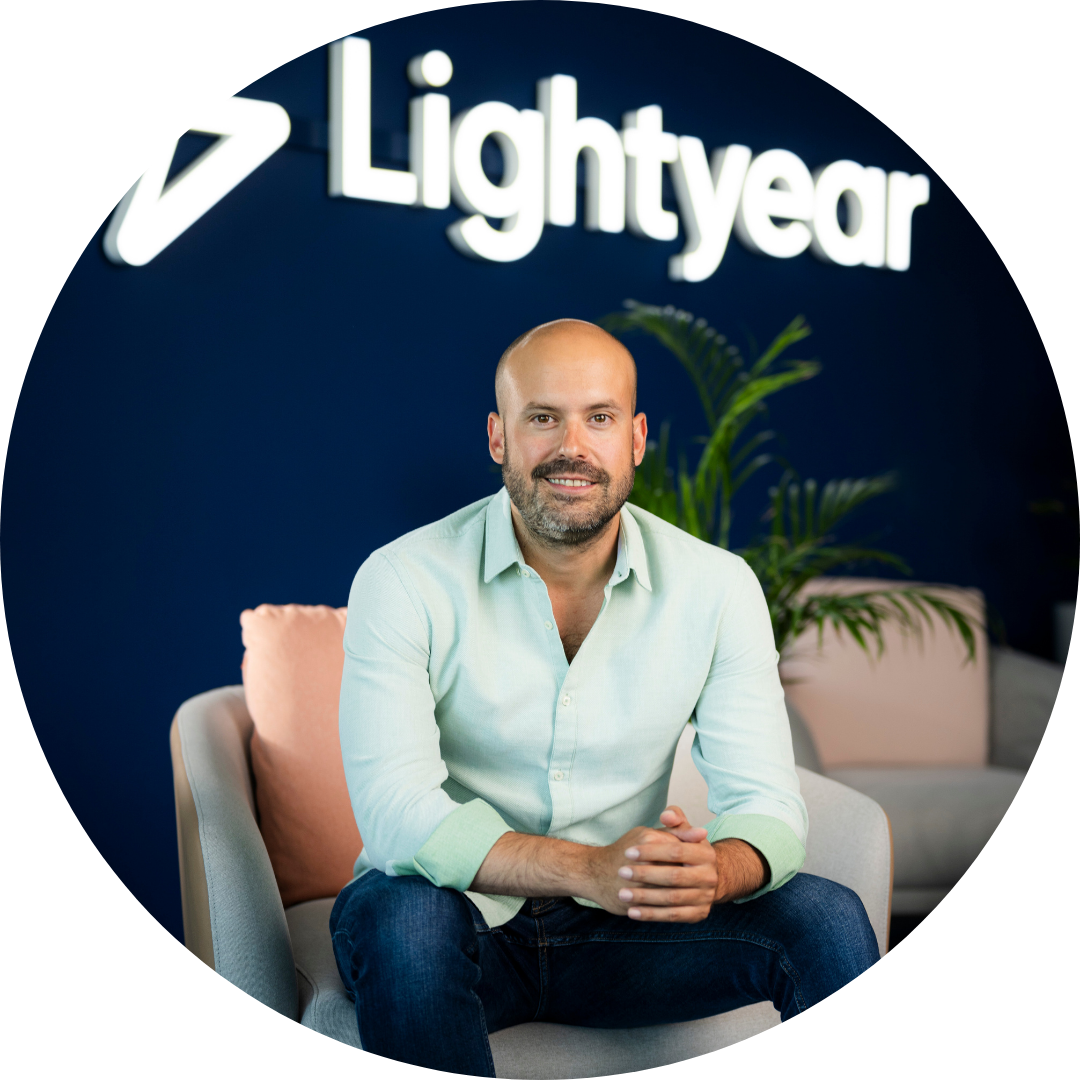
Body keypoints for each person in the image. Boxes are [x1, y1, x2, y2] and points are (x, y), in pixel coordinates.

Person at [331, 319, 879, 1075]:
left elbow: (768, 804)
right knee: (405, 916)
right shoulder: (403, 579)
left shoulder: (718, 588)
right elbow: (396, 813)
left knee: (825, 915)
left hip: (622, 934)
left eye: (599, 417)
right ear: (498, 437)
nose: (572, 446)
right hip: (456, 923)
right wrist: (589, 869)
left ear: (636, 438)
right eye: (542, 417)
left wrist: (716, 871)